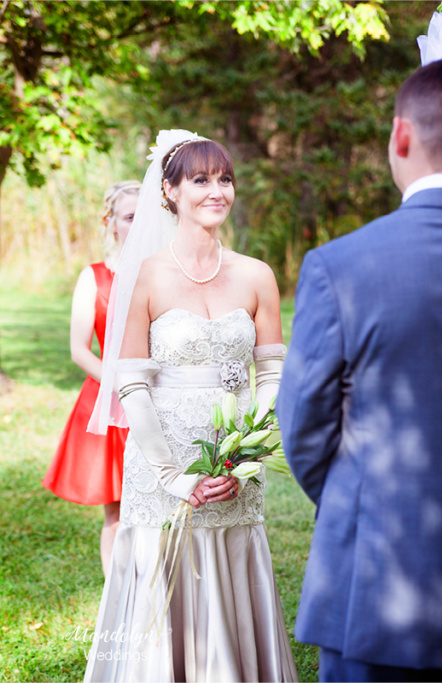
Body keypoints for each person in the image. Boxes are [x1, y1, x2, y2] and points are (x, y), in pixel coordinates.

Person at [277, 58, 442, 683]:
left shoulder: (341, 265)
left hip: (374, 582)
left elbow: (304, 424)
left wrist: (361, 504)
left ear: (401, 136)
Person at [83, 130, 297, 681]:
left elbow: (272, 371)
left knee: (230, 564)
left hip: (232, 467)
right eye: (201, 180)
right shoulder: (145, 276)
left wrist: (243, 451)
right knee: (164, 572)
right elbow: (131, 383)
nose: (217, 191)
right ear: (170, 191)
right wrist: (173, 477)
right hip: (163, 461)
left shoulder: (257, 275)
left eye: (225, 179)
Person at [43, 180, 138, 577]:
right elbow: (80, 349)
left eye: (145, 216)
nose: (138, 224)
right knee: (117, 510)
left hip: (163, 397)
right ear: (110, 222)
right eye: (129, 217)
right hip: (112, 400)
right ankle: (118, 597)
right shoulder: (95, 278)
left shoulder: (167, 272)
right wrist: (123, 387)